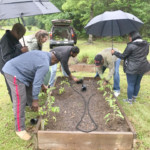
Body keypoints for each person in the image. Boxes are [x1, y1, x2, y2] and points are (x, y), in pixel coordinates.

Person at [2, 49, 80, 140]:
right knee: (20, 100)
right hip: (14, 73)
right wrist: (35, 100)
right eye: (56, 63)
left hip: (20, 71)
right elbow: (36, 83)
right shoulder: (45, 64)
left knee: (29, 89)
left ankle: (33, 107)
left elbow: (36, 73)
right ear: (55, 60)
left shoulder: (44, 54)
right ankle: (20, 129)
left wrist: (43, 86)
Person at [111, 31, 150, 104]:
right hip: (143, 66)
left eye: (129, 37)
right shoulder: (146, 44)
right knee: (137, 83)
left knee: (131, 84)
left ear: (132, 37)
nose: (129, 38)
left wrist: (114, 53)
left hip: (132, 68)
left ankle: (129, 100)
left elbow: (123, 56)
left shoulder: (131, 46)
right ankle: (134, 98)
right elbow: (146, 53)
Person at [0, 23, 28, 102]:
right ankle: (16, 103)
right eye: (21, 35)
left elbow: (16, 50)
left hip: (13, 66)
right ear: (16, 32)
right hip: (6, 67)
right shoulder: (6, 40)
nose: (21, 37)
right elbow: (6, 57)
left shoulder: (14, 38)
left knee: (18, 84)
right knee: (12, 85)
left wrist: (22, 49)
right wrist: (20, 51)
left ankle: (22, 101)